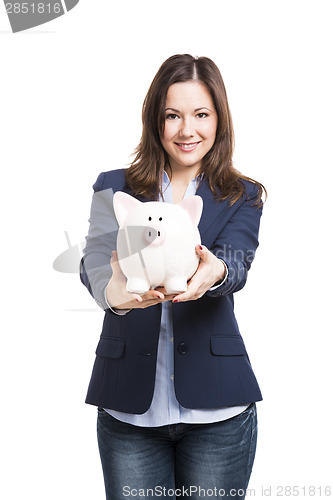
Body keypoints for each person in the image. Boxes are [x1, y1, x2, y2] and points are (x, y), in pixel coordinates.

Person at [80, 54, 266, 500]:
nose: (187, 130)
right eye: (173, 115)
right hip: (129, 413)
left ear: (219, 119)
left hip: (219, 412)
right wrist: (118, 293)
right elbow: (93, 262)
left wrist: (213, 272)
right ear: (155, 119)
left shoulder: (243, 194)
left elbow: (236, 261)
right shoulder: (113, 186)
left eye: (201, 114)